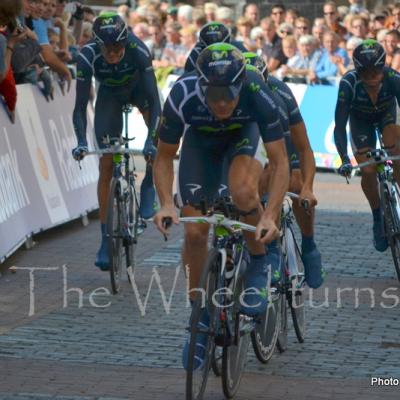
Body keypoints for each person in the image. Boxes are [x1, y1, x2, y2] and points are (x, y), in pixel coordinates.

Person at [153, 43, 289, 369]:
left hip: (244, 137)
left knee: (242, 191)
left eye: (230, 95)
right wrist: (165, 205)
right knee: (196, 231)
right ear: (201, 86)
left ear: (241, 84)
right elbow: (163, 157)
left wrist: (270, 214)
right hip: (202, 145)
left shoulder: (257, 88)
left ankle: (259, 262)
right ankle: (199, 317)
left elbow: (280, 161)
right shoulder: (182, 94)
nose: (224, 103)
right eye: (215, 97)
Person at [71, 13, 161, 270]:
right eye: (106, 48)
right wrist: (80, 141)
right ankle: (104, 240)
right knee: (106, 163)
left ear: (126, 41)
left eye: (117, 47)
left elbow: (154, 103)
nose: (112, 53)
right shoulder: (86, 56)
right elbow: (79, 108)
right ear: (96, 44)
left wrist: (152, 142)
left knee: (157, 139)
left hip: (138, 91)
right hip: (109, 96)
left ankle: (148, 185)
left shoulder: (138, 50)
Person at [243, 52, 323, 288]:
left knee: (294, 183)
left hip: (280, 140)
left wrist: (308, 188)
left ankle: (308, 244)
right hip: (247, 138)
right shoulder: (228, 97)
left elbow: (305, 149)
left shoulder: (280, 96)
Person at [335, 39, 400, 252]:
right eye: (366, 73)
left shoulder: (393, 78)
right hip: (360, 122)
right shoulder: (348, 84)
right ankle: (377, 216)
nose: (372, 78)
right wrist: (344, 158)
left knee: (395, 147)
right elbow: (340, 125)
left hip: (386, 115)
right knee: (369, 169)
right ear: (357, 70)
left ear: (383, 68)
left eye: (376, 72)